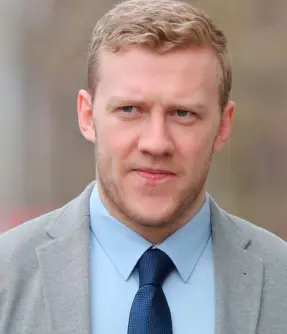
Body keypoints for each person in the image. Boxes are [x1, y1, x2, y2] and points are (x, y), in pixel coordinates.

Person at [1, 0, 287, 333]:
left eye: (183, 114)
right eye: (130, 109)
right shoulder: (7, 279)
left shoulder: (279, 279)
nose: (156, 143)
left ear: (224, 125)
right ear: (87, 115)